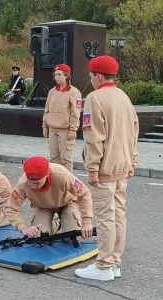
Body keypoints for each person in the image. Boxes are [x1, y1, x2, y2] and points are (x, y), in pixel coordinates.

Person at [75, 56, 139, 281]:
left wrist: (92, 169)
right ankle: (115, 263)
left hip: (104, 167)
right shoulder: (123, 96)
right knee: (119, 214)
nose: (91, 79)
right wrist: (133, 161)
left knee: (104, 217)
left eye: (92, 75)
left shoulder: (94, 98)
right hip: (122, 165)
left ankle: (103, 266)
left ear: (98, 76)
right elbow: (134, 131)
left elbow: (93, 137)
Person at [4, 156, 93, 241]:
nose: (32, 185)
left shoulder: (62, 175)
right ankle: (55, 225)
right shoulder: (22, 184)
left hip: (66, 203)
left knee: (73, 238)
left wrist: (87, 222)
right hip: (42, 206)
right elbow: (10, 208)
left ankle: (65, 222)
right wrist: (22, 228)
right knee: (38, 238)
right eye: (30, 182)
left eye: (37, 183)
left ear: (47, 174)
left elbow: (84, 193)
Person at [42, 64, 82, 173]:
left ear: (66, 76)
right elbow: (47, 110)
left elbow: (75, 112)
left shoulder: (74, 92)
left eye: (59, 74)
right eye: (55, 75)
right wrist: (45, 126)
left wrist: (73, 129)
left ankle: (68, 184)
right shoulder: (52, 92)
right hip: (52, 129)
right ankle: (57, 182)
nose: (57, 77)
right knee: (54, 159)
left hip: (65, 130)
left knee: (66, 159)